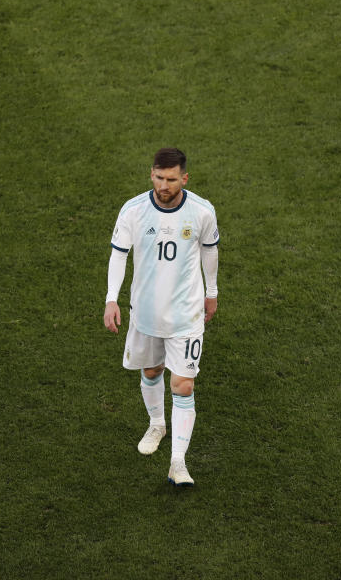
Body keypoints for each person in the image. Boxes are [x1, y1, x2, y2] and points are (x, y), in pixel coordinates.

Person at [103, 147, 219, 487]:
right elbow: (118, 256)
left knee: (183, 384)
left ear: (184, 178)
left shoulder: (201, 211)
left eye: (171, 179)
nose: (163, 185)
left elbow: (210, 252)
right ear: (151, 174)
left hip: (186, 314)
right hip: (146, 314)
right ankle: (157, 424)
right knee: (151, 371)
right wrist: (112, 300)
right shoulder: (134, 211)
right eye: (158, 177)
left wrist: (212, 293)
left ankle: (178, 464)